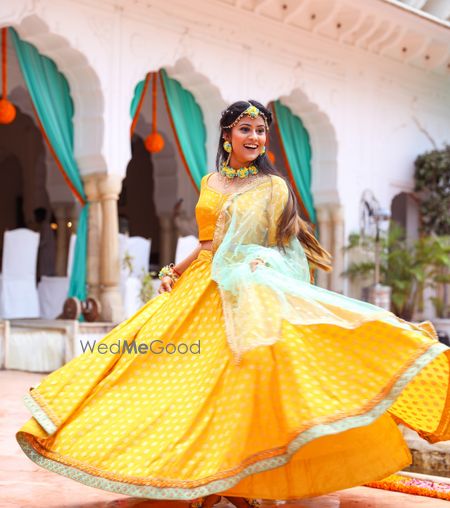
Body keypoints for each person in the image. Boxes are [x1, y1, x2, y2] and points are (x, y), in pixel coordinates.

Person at [17, 101, 450, 508]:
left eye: (261, 130)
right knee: (155, 375)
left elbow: (286, 247)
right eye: (246, 128)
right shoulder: (210, 181)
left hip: (244, 289)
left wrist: (262, 261)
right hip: (197, 288)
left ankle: (238, 477)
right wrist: (176, 268)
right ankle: (177, 472)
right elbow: (209, 243)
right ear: (228, 134)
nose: (255, 137)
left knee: (237, 385)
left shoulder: (273, 186)